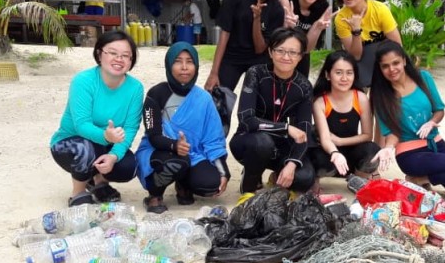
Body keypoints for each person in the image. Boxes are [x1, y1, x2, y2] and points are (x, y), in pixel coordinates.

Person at [370, 41, 445, 199]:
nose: (392, 69)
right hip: (410, 154)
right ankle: (418, 177)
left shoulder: (423, 78)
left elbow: (439, 110)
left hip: (436, 144)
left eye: (396, 63)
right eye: (385, 66)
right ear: (380, 68)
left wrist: (432, 122)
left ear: (404, 60)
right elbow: (392, 132)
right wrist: (388, 147)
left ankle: (419, 180)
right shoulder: (380, 95)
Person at [50, 30, 144, 207]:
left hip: (106, 144)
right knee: (85, 149)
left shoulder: (135, 88)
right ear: (100, 54)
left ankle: (99, 181)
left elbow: (131, 128)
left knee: (128, 167)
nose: (119, 59)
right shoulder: (83, 81)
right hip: (70, 143)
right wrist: (106, 136)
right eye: (113, 53)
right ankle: (78, 192)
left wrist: (114, 156)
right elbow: (81, 125)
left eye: (126, 56)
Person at [135, 42, 230, 213]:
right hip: (161, 150)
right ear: (169, 64)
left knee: (210, 184)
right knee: (177, 161)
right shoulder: (156, 94)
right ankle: (154, 195)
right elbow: (153, 135)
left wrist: (223, 171)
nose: (184, 67)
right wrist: (174, 145)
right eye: (178, 61)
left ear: (196, 65)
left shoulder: (203, 99)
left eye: (190, 61)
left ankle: (183, 184)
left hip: (193, 154)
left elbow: (213, 138)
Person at [229, 27, 315, 195]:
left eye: (292, 52)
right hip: (249, 141)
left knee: (305, 178)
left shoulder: (304, 86)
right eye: (280, 50)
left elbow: (304, 132)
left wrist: (292, 164)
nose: (286, 57)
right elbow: (246, 119)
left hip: (281, 146)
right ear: (270, 51)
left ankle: (277, 176)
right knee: (262, 143)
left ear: (300, 56)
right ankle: (250, 182)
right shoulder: (256, 74)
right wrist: (285, 127)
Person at [203, 0, 285, 93]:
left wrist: (257, 18)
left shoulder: (277, 11)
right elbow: (225, 34)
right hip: (231, 56)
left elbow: (260, 48)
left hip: (258, 59)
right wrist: (214, 72)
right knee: (218, 100)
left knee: (256, 103)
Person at [309, 51, 380, 186]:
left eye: (349, 73)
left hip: (352, 153)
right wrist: (335, 152)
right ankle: (316, 181)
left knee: (372, 150)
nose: (344, 78)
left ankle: (359, 179)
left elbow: (367, 135)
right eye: (338, 73)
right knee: (316, 158)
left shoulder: (360, 98)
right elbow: (325, 139)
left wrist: (340, 141)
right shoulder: (320, 102)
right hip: (329, 153)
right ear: (327, 75)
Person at [333, 0, 402, 88]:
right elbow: (356, 56)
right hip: (362, 62)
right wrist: (356, 31)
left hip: (386, 58)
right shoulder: (342, 18)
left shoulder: (380, 10)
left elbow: (397, 46)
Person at [279, 0, 332, 76]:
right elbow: (284, 39)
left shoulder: (323, 8)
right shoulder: (287, 0)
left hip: (302, 55)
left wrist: (317, 27)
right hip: (281, 50)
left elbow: (307, 49)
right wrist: (287, 24)